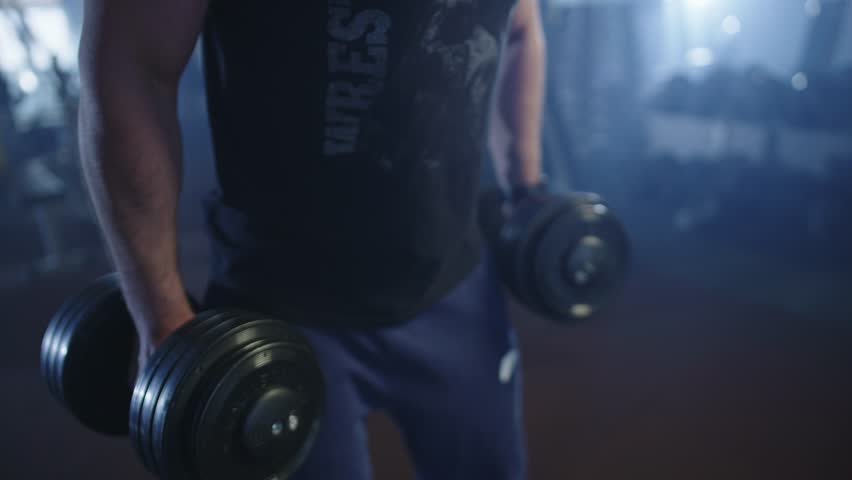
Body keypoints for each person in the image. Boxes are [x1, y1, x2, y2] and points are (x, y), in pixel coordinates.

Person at [77, 0, 545, 478]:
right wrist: (159, 315)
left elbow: (519, 29)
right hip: (279, 311)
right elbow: (134, 70)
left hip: (455, 287)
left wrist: (525, 189)